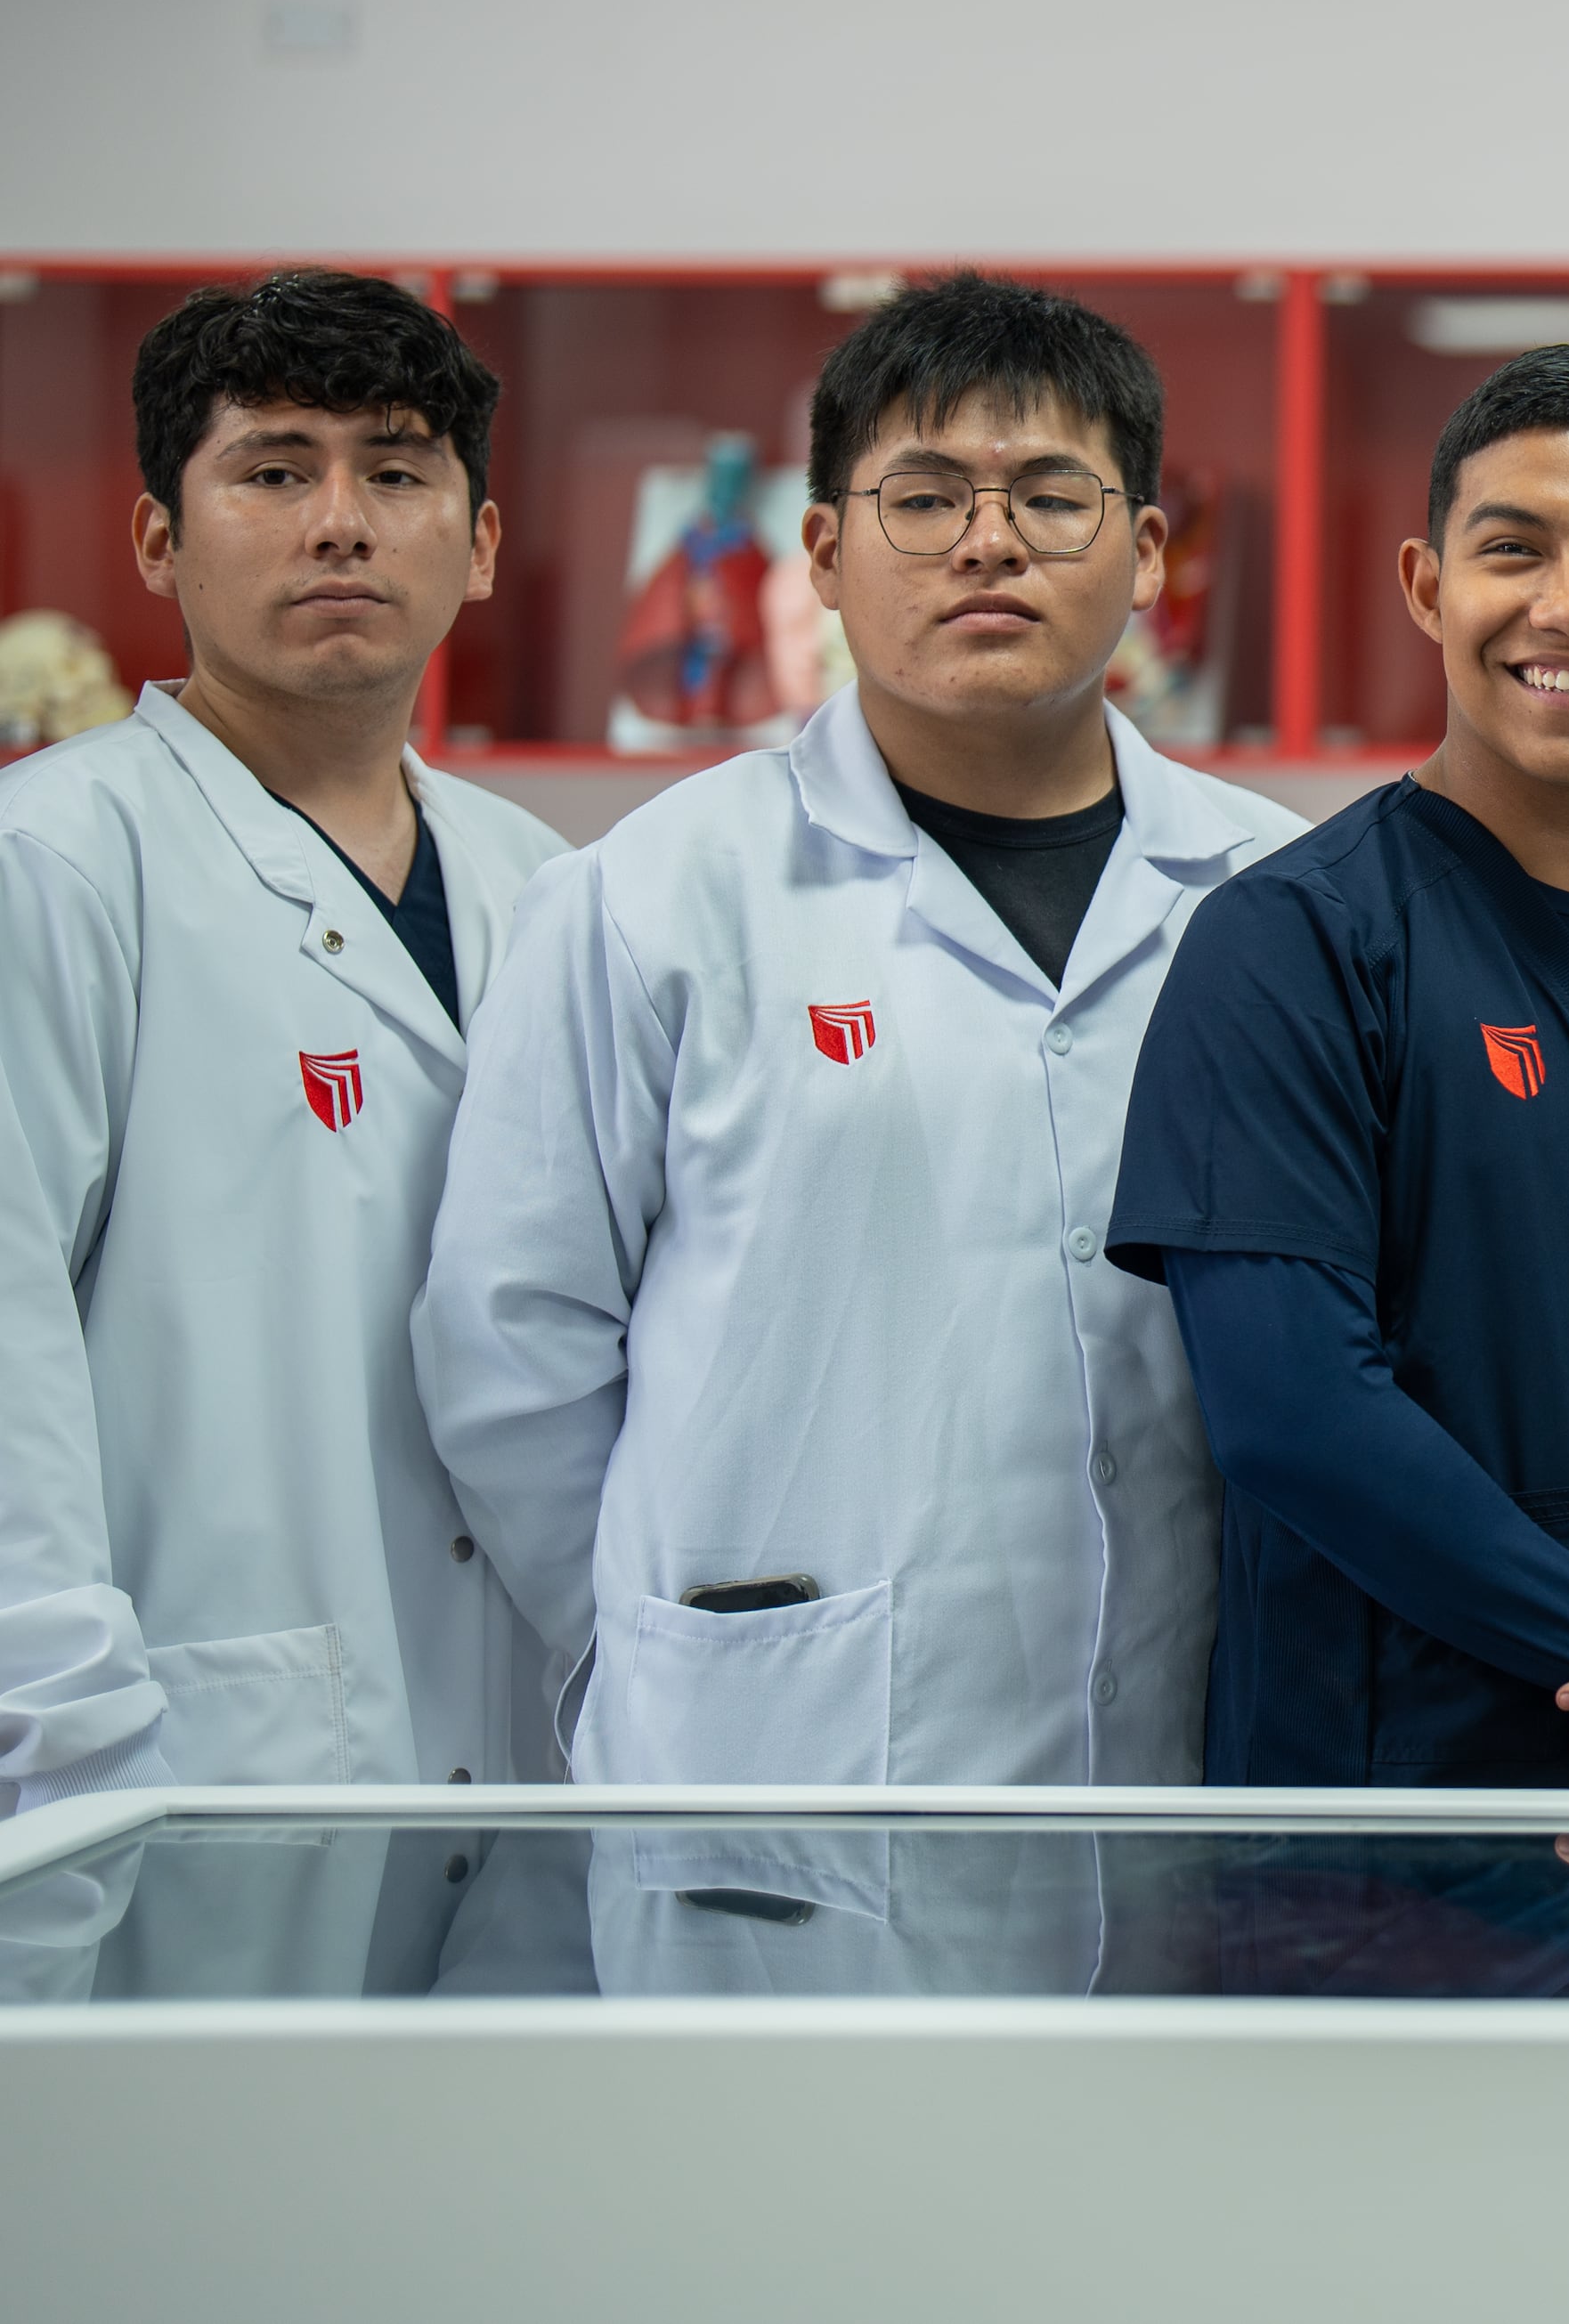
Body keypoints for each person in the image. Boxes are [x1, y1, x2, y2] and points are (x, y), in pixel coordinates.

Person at [416, 276, 1304, 1787]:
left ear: (1150, 552)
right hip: (775, 1760)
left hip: (1183, 1761)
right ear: (822, 551)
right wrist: (687, 1648)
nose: (988, 541)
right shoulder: (653, 893)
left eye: (1052, 496)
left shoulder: (1276, 896)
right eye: (925, 497)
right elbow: (513, 1349)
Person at [1109, 346, 1569, 1799]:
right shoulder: (1294, 940)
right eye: (1513, 548)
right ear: (1426, 585)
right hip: (1384, 1818)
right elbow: (1291, 1410)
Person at [0, 271, 565, 1814]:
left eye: (395, 471)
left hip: (519, 1755)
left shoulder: (547, 885)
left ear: (481, 543)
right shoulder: (53, 863)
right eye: (272, 470)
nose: (339, 523)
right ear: (157, 539)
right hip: (175, 1760)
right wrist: (59, 1755)